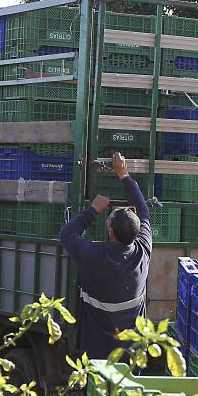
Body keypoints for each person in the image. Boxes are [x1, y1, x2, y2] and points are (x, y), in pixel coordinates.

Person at [59, 152, 152, 359]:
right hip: (132, 352)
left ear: (110, 231)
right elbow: (144, 211)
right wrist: (124, 174)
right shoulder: (143, 251)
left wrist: (93, 210)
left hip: (95, 351)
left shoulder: (94, 255)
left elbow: (66, 234)